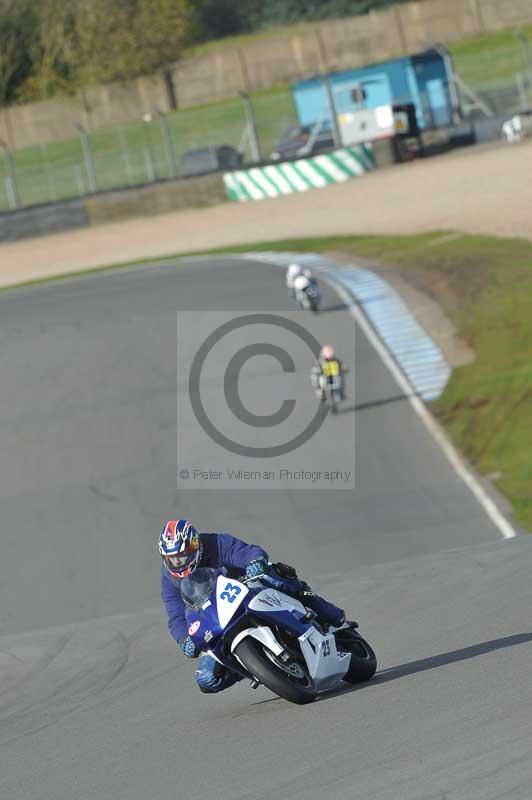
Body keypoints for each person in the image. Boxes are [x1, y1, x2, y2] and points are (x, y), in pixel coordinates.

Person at [159, 519, 349, 694]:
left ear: (194, 545)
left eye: (182, 556)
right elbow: (175, 615)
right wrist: (184, 639)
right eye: (172, 558)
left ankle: (324, 611)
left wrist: (255, 562)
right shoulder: (169, 577)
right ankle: (251, 665)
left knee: (274, 575)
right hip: (217, 617)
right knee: (206, 679)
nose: (178, 562)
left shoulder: (215, 542)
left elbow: (244, 551)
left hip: (245, 588)